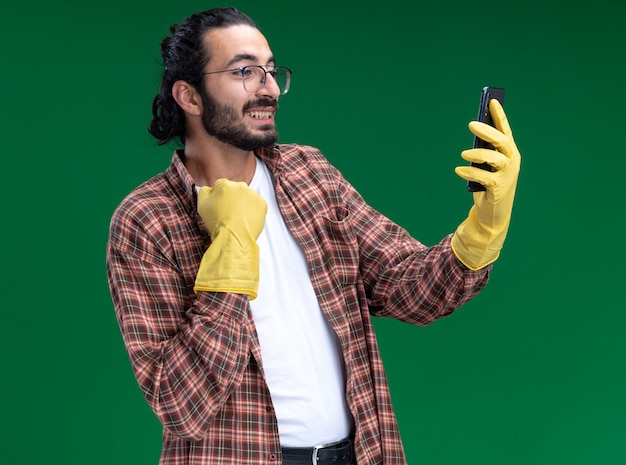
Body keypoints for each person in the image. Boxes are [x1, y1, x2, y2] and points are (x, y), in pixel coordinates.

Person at [106, 7, 521, 465]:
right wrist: (230, 258)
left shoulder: (311, 175)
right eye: (245, 71)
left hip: (358, 455)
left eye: (270, 70)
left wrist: (483, 228)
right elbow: (180, 405)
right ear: (189, 96)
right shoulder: (147, 220)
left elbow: (409, 289)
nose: (267, 86)